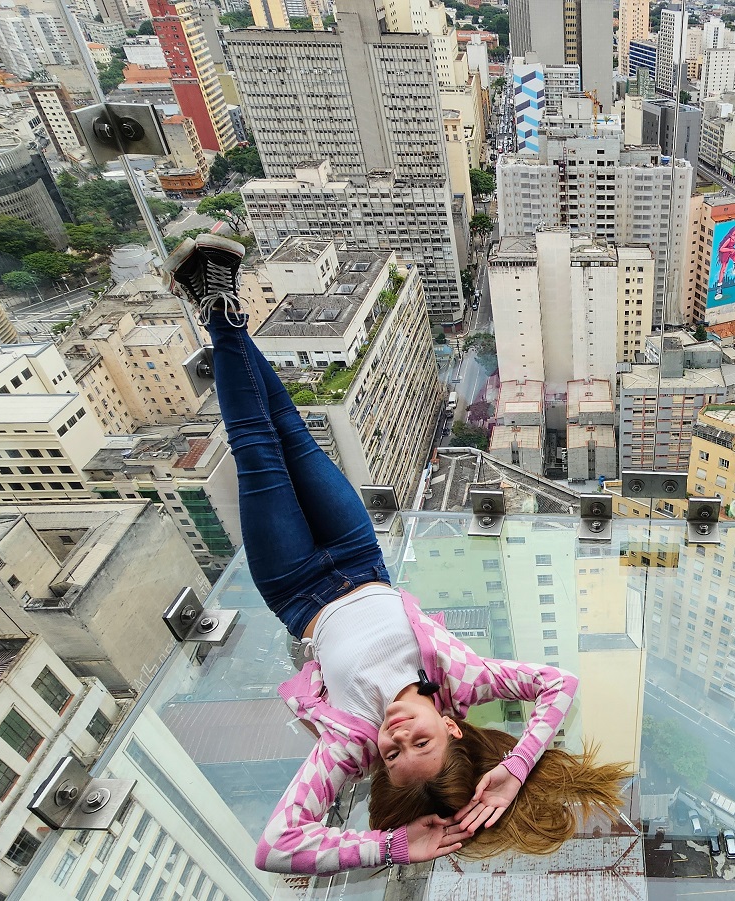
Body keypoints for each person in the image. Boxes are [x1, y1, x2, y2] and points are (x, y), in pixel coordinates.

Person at [161, 236, 629, 874]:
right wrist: (515, 769)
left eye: (394, 750)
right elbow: (559, 684)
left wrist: (389, 846)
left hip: (297, 586)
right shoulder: (463, 683)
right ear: (453, 726)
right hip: (360, 556)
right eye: (422, 738)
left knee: (256, 448)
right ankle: (221, 309)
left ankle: (218, 311)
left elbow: (276, 846)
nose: (397, 730)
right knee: (294, 431)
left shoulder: (347, 747)